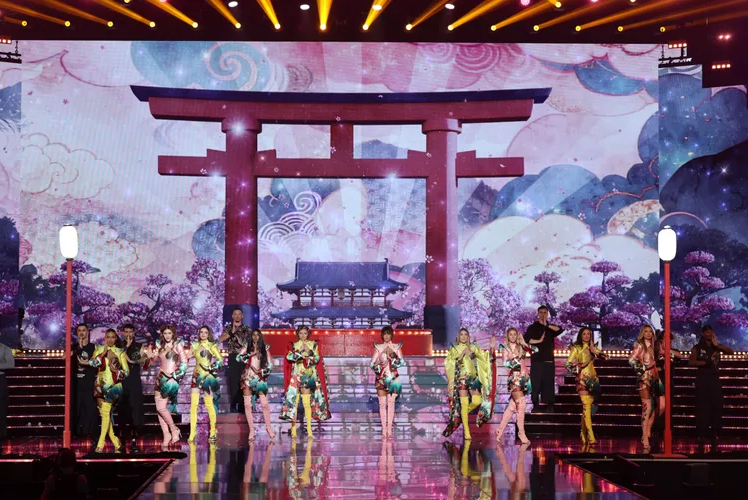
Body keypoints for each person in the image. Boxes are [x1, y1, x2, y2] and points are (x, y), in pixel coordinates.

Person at [81, 329, 129, 453]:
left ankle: (100, 444)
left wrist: (116, 371)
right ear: (105, 338)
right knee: (104, 415)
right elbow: (92, 363)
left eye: (113, 337)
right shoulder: (99, 349)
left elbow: (126, 372)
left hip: (114, 386)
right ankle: (116, 442)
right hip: (100, 385)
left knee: (106, 412)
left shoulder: (120, 352)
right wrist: (102, 354)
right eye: (108, 337)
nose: (110, 339)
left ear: (116, 338)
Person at [443, 328, 496, 441]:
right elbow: (449, 362)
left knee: (477, 401)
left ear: (468, 336)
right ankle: (467, 432)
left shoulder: (473, 347)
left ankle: (461, 415)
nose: (463, 336)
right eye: (461, 334)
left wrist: (491, 348)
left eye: (465, 334)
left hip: (473, 378)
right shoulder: (455, 349)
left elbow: (485, 357)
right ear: (458, 336)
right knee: (465, 404)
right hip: (462, 378)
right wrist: (462, 354)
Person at [280, 325, 331, 439]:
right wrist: (299, 352)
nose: (303, 335)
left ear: (308, 334)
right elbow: (289, 357)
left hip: (308, 376)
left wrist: (308, 351)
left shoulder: (313, 344)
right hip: (296, 375)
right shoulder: (293, 345)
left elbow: (317, 358)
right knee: (294, 403)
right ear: (297, 334)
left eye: (305, 333)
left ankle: (309, 431)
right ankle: (293, 429)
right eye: (301, 333)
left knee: (307, 404)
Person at [689, 324, 734, 448]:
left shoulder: (717, 347)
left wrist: (717, 345)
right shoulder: (697, 347)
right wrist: (707, 362)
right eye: (707, 332)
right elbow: (691, 362)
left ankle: (714, 433)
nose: (709, 334)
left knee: (717, 405)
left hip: (714, 379)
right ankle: (701, 434)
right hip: (702, 379)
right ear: (703, 334)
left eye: (711, 332)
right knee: (702, 407)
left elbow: (731, 351)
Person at [145, 324, 188, 448]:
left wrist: (176, 375)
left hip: (171, 379)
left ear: (173, 334)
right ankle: (166, 435)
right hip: (160, 377)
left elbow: (184, 362)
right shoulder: (160, 346)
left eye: (169, 333)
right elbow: (152, 361)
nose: (167, 335)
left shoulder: (177, 345)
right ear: (162, 335)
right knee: (158, 408)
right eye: (165, 333)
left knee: (161, 408)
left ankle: (174, 429)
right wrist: (150, 357)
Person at [565, 327, 605, 448]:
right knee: (586, 405)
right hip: (582, 380)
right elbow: (568, 364)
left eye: (588, 334)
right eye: (584, 334)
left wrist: (594, 351)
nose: (587, 336)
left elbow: (606, 357)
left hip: (593, 381)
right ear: (580, 335)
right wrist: (582, 365)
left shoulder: (593, 348)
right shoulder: (576, 348)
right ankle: (591, 437)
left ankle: (583, 433)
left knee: (588, 408)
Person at [494, 327, 536, 445]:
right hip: (514, 378)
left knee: (512, 407)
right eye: (510, 334)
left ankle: (499, 430)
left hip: (523, 379)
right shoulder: (505, 348)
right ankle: (521, 433)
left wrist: (524, 343)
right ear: (507, 336)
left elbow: (535, 350)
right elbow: (505, 363)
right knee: (521, 404)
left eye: (514, 334)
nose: (513, 336)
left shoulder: (521, 346)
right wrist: (516, 358)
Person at [628, 324, 664, 453]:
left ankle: (648, 427)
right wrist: (643, 368)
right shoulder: (640, 345)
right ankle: (644, 436)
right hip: (644, 379)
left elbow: (663, 355)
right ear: (642, 333)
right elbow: (631, 360)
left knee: (662, 405)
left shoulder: (655, 345)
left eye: (650, 331)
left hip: (655, 377)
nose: (648, 334)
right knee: (647, 407)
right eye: (646, 331)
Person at [236, 328, 275, 442]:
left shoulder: (264, 348)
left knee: (264, 404)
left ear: (260, 336)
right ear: (251, 336)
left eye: (258, 335)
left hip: (260, 377)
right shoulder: (246, 347)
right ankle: (252, 431)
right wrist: (250, 354)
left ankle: (268, 427)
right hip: (248, 377)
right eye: (253, 335)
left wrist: (262, 371)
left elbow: (270, 364)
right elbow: (238, 358)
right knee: (247, 405)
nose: (255, 337)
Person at [523, 305, 564, 413]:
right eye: (541, 312)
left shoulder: (550, 327)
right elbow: (526, 339)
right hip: (536, 359)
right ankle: (535, 405)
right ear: (538, 313)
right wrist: (538, 341)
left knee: (549, 382)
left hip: (548, 359)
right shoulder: (533, 327)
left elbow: (560, 330)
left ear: (548, 314)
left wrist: (547, 325)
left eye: (545, 312)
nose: (543, 314)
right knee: (535, 383)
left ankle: (550, 405)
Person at [188, 325, 223, 443]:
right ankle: (192, 432)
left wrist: (211, 367)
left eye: (205, 332)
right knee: (193, 405)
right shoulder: (195, 345)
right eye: (201, 332)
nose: (203, 334)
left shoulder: (212, 346)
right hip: (196, 376)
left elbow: (220, 360)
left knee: (209, 404)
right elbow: (185, 357)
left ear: (209, 334)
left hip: (208, 377)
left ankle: (213, 431)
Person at [370, 325, 405, 439]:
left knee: (391, 404)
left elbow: (402, 362)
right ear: (382, 335)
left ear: (391, 335)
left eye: (388, 334)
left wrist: (391, 361)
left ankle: (389, 430)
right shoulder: (378, 347)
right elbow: (372, 364)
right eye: (384, 334)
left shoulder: (396, 347)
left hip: (393, 378)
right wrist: (381, 366)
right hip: (381, 378)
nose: (386, 336)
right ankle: (384, 430)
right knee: (382, 404)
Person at [218, 308, 250, 414]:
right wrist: (231, 332)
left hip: (243, 357)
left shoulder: (246, 329)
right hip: (232, 357)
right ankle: (233, 404)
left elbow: (250, 343)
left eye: (239, 314)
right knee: (233, 381)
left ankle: (242, 405)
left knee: (243, 380)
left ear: (242, 316)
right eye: (235, 314)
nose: (237, 316)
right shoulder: (228, 328)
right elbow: (221, 339)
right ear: (232, 316)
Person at [119, 324, 145, 452]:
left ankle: (134, 437)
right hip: (122, 381)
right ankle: (123, 437)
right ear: (123, 333)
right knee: (123, 409)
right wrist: (125, 348)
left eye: (131, 331)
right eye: (126, 331)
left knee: (135, 408)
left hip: (134, 380)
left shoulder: (139, 346)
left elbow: (143, 360)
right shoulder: (119, 345)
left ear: (134, 332)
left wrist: (131, 360)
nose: (128, 334)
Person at [72, 323, 98, 444]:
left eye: (84, 330)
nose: (82, 332)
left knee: (91, 411)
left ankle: (94, 437)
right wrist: (78, 348)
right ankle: (76, 435)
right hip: (76, 385)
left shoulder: (94, 348)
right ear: (77, 333)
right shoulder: (73, 347)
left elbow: (97, 362)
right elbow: (64, 357)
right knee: (76, 411)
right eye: (79, 330)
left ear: (88, 332)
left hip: (89, 385)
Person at [0, 331, 14, 441]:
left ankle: (1, 434)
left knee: (1, 408)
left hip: (0, 380)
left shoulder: (5, 348)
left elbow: (10, 364)